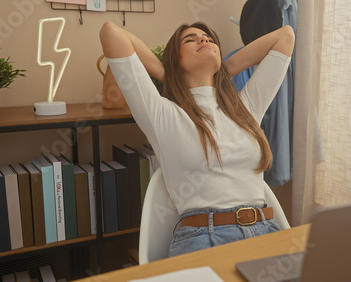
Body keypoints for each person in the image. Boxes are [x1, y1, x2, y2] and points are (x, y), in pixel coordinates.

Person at [99, 20, 295, 257]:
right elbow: (111, 34)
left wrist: (222, 69)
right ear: (175, 60)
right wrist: (169, 74)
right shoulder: (162, 114)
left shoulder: (245, 107)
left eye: (210, 39)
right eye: (190, 39)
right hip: (203, 239)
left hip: (265, 232)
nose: (204, 40)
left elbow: (285, 36)